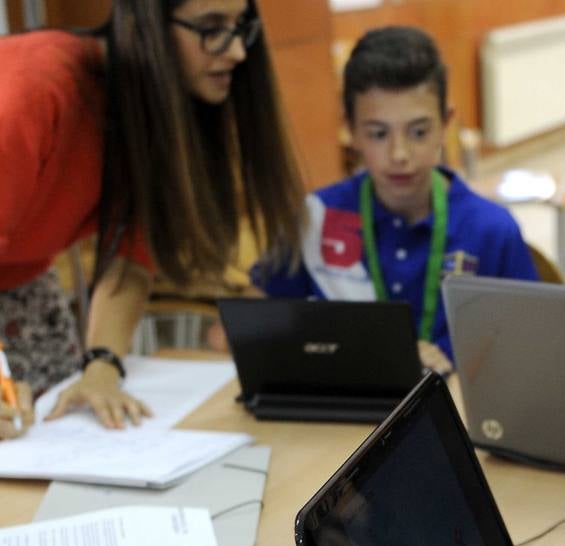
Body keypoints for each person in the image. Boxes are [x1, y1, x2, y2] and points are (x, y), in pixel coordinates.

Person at [0, 0, 305, 437]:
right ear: (148, 26)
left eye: (240, 26)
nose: (237, 50)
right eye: (211, 27)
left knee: (49, 430)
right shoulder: (35, 90)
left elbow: (130, 255)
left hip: (25, 281)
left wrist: (103, 364)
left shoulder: (156, 114)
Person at [252, 26, 537, 373]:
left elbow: (527, 346)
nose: (399, 154)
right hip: (340, 418)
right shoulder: (317, 216)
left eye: (419, 132)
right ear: (350, 130)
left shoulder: (491, 230)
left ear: (445, 123)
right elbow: (260, 318)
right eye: (378, 133)